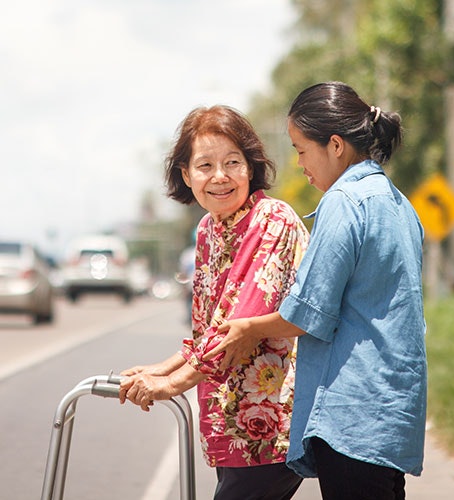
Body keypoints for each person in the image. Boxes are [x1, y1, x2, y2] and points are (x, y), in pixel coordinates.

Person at [205, 81, 427, 500]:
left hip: (352, 415)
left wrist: (248, 328)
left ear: (336, 146)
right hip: (392, 412)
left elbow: (307, 313)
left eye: (302, 149)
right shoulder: (398, 202)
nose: (300, 164)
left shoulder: (344, 201)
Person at [118, 105, 309, 500]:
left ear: (251, 168)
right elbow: (209, 328)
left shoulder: (272, 220)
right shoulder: (208, 228)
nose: (219, 177)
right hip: (227, 415)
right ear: (186, 176)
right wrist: (161, 367)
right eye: (205, 165)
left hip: (273, 419)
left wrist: (171, 384)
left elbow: (237, 328)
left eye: (232, 162)